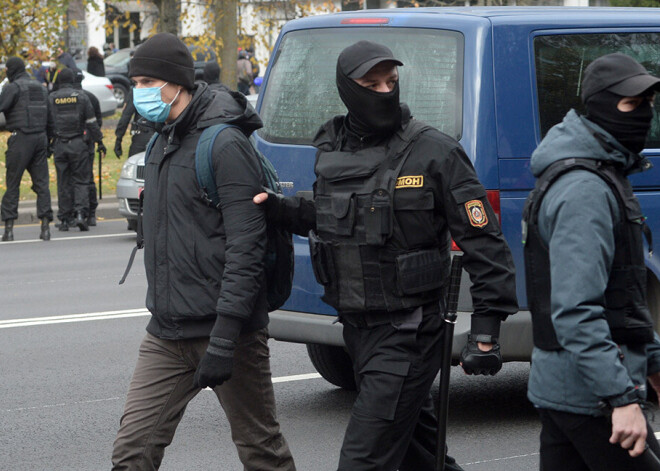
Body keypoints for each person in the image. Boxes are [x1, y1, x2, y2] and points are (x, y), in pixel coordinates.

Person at [254, 40, 518, 471]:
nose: (383, 91)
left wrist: (486, 331)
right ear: (347, 89)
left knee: (363, 459)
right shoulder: (334, 149)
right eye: (370, 83)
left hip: (410, 332)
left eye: (390, 82)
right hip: (358, 328)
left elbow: (485, 244)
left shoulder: (435, 151)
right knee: (421, 453)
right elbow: (333, 215)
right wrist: (278, 208)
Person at [111, 33, 296, 471]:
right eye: (134, 81)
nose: (139, 91)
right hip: (167, 334)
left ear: (176, 83)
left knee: (260, 451)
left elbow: (246, 247)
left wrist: (225, 336)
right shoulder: (160, 142)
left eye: (147, 80)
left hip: (229, 334)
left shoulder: (224, 145)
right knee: (132, 453)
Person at [523, 52, 660, 470]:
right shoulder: (585, 190)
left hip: (565, 387)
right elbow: (576, 309)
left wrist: (652, 363)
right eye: (630, 104)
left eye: (649, 105)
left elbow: (624, 296)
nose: (644, 114)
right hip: (591, 395)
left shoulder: (598, 174)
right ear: (599, 107)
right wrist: (621, 399)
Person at [0, 56, 53, 241]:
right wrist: (50, 143)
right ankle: (45, 227)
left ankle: (8, 229)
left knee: (13, 184)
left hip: (20, 138)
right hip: (40, 138)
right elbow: (50, 117)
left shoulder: (12, 88)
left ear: (12, 69)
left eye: (7, 68)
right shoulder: (40, 87)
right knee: (42, 185)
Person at [48, 68, 103, 232]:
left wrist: (48, 144)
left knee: (63, 182)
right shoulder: (82, 97)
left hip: (59, 144)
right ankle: (80, 214)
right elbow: (92, 122)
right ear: (73, 80)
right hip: (78, 144)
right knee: (81, 181)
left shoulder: (52, 98)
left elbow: (48, 123)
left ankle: (64, 219)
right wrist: (99, 141)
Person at [73, 71, 106, 226]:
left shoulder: (85, 97)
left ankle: (83, 212)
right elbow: (98, 121)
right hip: (88, 142)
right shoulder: (90, 97)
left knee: (76, 179)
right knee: (87, 177)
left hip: (78, 143)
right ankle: (90, 213)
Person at [113, 87, 156, 158]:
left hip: (141, 135)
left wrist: (118, 139)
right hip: (160, 135)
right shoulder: (164, 88)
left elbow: (126, 116)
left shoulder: (137, 91)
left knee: (135, 164)